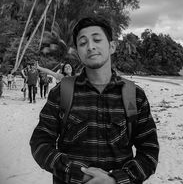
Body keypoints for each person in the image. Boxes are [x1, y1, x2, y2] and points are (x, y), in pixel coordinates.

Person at [30, 15, 159, 184]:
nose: (90, 47)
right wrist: (78, 173)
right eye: (83, 43)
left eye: (97, 40)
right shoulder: (62, 92)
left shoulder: (134, 95)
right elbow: (40, 143)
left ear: (112, 46)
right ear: (78, 52)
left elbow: (149, 151)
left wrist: (115, 180)